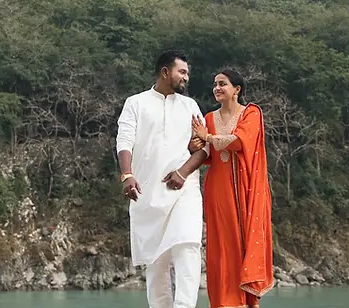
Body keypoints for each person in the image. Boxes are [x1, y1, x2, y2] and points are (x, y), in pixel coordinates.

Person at [115, 49, 209, 308]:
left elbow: (204, 147)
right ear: (165, 72)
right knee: (157, 262)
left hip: (184, 189)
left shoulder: (190, 106)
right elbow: (124, 141)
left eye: (187, 73)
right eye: (182, 72)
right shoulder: (136, 103)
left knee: (188, 248)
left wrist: (182, 172)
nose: (186, 78)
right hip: (147, 191)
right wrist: (127, 174)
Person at [190, 69, 274, 308]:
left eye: (223, 84)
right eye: (215, 84)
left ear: (237, 89)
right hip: (217, 188)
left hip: (245, 188)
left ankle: (245, 301)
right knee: (220, 245)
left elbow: (239, 141)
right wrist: (195, 142)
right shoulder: (207, 118)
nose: (217, 88)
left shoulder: (251, 113)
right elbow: (204, 153)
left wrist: (207, 138)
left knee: (242, 241)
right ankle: (223, 302)